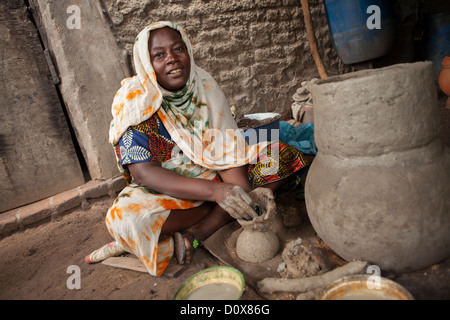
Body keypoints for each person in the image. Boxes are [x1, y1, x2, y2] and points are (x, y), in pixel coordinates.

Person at [86, 21, 309, 276]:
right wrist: (218, 193)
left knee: (281, 154)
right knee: (126, 219)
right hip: (171, 189)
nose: (172, 59)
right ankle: (210, 214)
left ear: (188, 51)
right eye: (159, 55)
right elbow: (143, 173)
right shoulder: (136, 101)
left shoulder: (204, 86)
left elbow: (227, 149)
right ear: (147, 63)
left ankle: (199, 233)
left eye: (178, 49)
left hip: (214, 171)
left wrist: (238, 192)